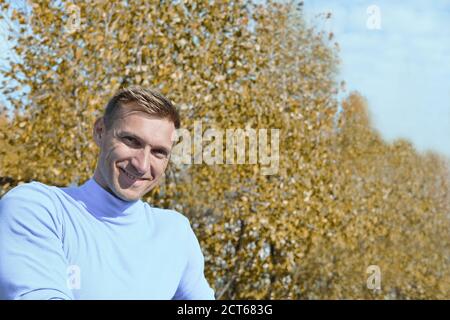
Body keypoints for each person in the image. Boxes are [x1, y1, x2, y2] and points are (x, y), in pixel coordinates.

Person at [0, 86, 215, 300]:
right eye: (131, 141)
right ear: (100, 131)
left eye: (159, 152)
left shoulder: (175, 233)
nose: (141, 165)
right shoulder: (38, 209)